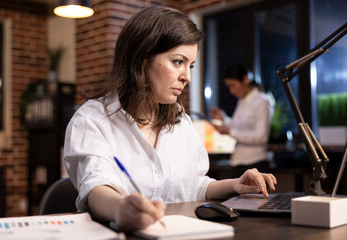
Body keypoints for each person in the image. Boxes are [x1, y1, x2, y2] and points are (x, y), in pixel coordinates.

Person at [63, 7, 277, 232]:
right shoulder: (93, 120)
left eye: (190, 65)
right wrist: (122, 208)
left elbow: (195, 185)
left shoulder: (180, 121)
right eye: (178, 62)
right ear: (142, 59)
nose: (188, 77)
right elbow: (96, 187)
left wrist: (235, 184)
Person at [210, 64, 273, 178]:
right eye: (229, 87)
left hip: (255, 163)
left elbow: (261, 137)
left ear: (245, 79)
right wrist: (223, 119)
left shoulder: (261, 101)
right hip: (237, 162)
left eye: (233, 85)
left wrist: (230, 132)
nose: (231, 91)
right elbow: (239, 126)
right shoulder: (242, 100)